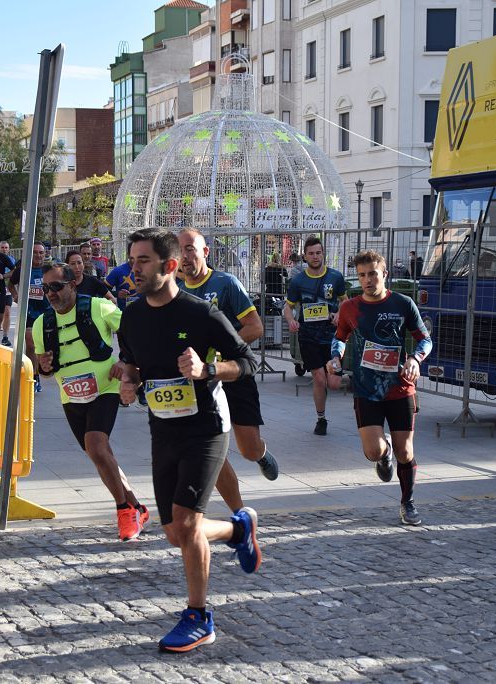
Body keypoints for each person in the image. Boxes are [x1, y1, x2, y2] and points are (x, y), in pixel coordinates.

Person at [117, 228, 261, 653]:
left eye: (143, 261)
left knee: (186, 524)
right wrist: (128, 381)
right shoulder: (132, 315)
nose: (134, 269)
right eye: (132, 260)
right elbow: (131, 363)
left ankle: (199, 616)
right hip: (163, 428)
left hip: (206, 429)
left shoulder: (201, 314)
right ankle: (238, 530)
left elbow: (248, 362)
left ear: (170, 265)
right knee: (175, 534)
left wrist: (208, 370)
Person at [32, 263, 150, 540]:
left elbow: (133, 330)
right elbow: (45, 372)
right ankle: (137, 506)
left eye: (57, 287)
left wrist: (125, 362)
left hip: (105, 388)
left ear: (73, 285)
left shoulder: (98, 307)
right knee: (100, 455)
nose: (51, 293)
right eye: (46, 288)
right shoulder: (41, 324)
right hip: (71, 394)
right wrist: (44, 366)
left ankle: (124, 512)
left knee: (96, 446)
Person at [178, 229, 279, 514]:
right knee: (212, 450)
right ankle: (239, 514)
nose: (185, 256)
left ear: (205, 252)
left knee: (247, 449)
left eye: (190, 249)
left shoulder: (226, 284)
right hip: (199, 381)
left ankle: (260, 454)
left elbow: (255, 327)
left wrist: (220, 353)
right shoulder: (174, 288)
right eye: (180, 250)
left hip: (233, 372)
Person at [328, 251, 432, 525]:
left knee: (405, 452)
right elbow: (339, 338)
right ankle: (383, 457)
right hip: (366, 389)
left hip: (400, 388)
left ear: (384, 274)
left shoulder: (403, 303)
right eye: (362, 275)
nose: (367, 280)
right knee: (374, 451)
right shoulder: (350, 308)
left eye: (372, 274)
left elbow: (425, 340)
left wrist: (414, 359)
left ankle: (407, 502)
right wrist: (335, 357)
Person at [283, 236, 347, 435]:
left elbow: (345, 301)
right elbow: (288, 306)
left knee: (334, 383)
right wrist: (291, 320)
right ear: (305, 256)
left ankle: (332, 376)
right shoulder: (298, 281)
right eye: (311, 253)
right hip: (308, 336)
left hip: (332, 337)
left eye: (318, 253)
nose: (315, 256)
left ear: (323, 254)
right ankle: (321, 419)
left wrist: (338, 314)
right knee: (319, 379)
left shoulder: (335, 277)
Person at [7, 242, 50, 391]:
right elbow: (10, 285)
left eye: (41, 253)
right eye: (35, 252)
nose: (38, 255)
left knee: (45, 347)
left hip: (47, 312)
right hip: (29, 312)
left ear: (45, 254)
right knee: (31, 344)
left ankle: (43, 369)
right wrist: (15, 296)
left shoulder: (49, 270)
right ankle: (35, 376)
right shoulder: (22, 270)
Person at [0, 240, 17, 347]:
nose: (4, 249)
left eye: (6, 247)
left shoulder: (12, 260)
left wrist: (5, 276)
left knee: (7, 312)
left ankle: (5, 336)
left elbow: (14, 273)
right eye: (2, 247)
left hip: (7, 290)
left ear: (8, 249)